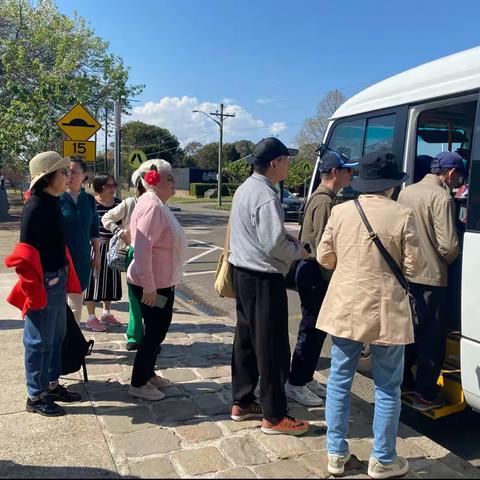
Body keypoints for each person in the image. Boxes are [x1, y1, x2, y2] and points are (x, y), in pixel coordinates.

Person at [317, 152, 419, 477]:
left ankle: (336, 454)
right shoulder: (403, 215)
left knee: (339, 379)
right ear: (391, 183)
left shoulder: (341, 211)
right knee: (388, 385)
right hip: (386, 308)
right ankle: (383, 459)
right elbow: (414, 267)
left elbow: (324, 257)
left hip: (345, 305)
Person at [228, 137, 310, 436]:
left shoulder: (246, 188)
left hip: (243, 272)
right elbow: (274, 243)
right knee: (272, 347)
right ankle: (275, 416)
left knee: (247, 340)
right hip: (263, 277)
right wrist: (299, 252)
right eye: (287, 159)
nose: (290, 163)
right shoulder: (265, 194)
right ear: (275, 162)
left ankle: (242, 400)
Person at [5, 151, 82, 416]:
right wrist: (33, 291)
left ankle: (51, 385)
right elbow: (24, 255)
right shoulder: (36, 205)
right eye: (63, 172)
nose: (67, 176)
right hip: (44, 283)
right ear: (48, 177)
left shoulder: (52, 201)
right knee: (39, 342)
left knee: (56, 337)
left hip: (56, 279)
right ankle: (35, 396)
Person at [285, 151, 358, 407]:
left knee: (316, 330)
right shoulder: (325, 201)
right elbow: (325, 247)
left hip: (313, 269)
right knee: (311, 329)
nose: (352, 174)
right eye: (349, 170)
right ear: (335, 172)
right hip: (315, 270)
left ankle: (304, 377)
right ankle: (296, 382)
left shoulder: (325, 198)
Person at [397, 151, 462, 411]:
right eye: (458, 175)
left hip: (407, 274)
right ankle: (425, 392)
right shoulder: (443, 197)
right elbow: (448, 245)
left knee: (408, 331)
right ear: (449, 172)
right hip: (432, 277)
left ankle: (404, 381)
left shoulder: (407, 192)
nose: (458, 181)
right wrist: (451, 260)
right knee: (431, 337)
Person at [127, 159, 188, 401]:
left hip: (159, 282)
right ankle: (138, 382)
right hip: (152, 285)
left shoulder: (155, 203)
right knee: (154, 333)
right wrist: (150, 287)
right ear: (153, 181)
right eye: (169, 177)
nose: (174, 182)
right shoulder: (152, 206)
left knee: (157, 331)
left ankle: (148, 374)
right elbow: (142, 250)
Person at [102, 168, 146, 351]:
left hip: (156, 255)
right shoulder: (130, 203)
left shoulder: (161, 204)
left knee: (156, 297)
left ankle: (151, 336)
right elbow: (107, 217)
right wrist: (120, 232)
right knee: (136, 296)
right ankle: (135, 335)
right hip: (134, 252)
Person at [59, 157, 100, 324]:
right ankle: (59, 340)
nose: (70, 175)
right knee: (58, 303)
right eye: (66, 171)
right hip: (59, 260)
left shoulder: (89, 200)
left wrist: (96, 255)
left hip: (82, 259)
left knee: (76, 304)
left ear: (84, 176)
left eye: (74, 172)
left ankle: (71, 342)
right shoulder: (57, 198)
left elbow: (94, 230)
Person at [84, 173, 123, 332]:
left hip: (113, 248)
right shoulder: (91, 203)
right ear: (100, 187)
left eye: (114, 185)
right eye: (109, 186)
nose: (113, 189)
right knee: (93, 283)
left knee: (110, 283)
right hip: (95, 247)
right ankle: (91, 318)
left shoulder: (120, 204)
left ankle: (106, 314)